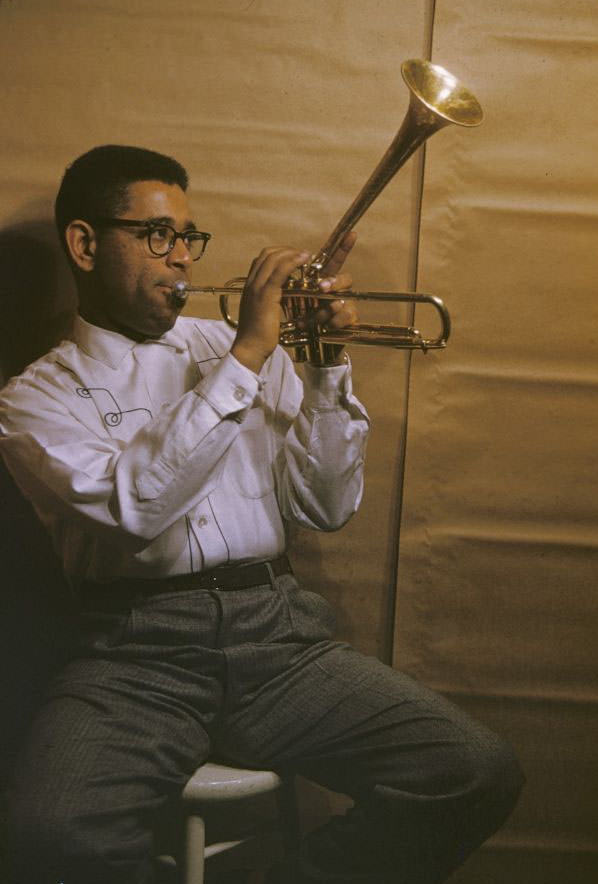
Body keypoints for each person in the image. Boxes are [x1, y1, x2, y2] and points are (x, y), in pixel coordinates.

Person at [0, 145, 523, 884]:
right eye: (157, 236)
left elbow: (328, 505)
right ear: (85, 245)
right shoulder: (34, 397)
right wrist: (248, 353)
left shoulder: (239, 346)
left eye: (188, 236)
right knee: (47, 835)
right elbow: (136, 510)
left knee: (474, 771)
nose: (181, 257)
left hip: (278, 637)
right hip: (131, 655)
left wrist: (327, 363)